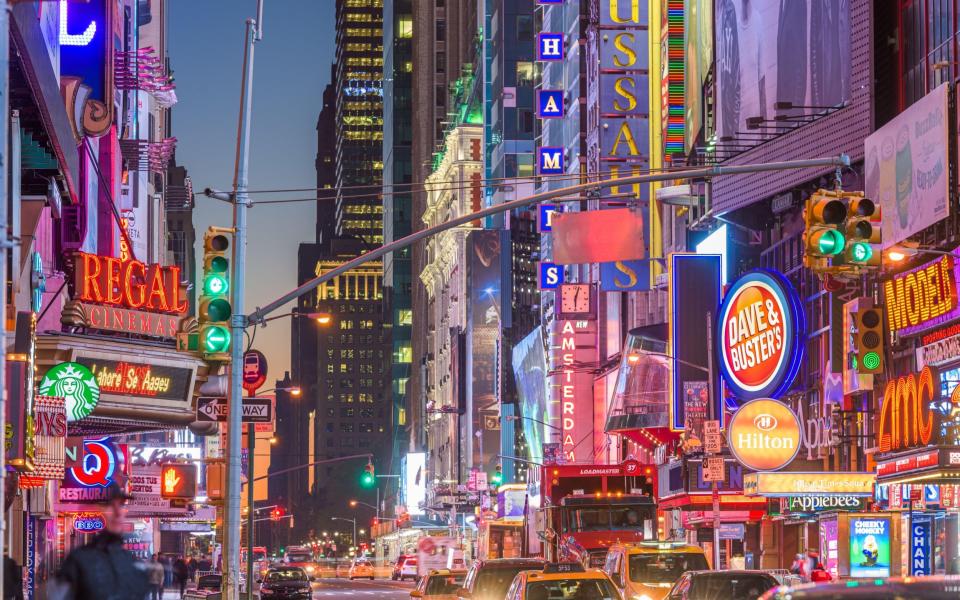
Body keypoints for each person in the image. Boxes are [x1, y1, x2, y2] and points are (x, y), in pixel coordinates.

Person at [55, 482, 149, 599]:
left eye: (120, 504)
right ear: (96, 510)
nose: (118, 512)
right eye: (109, 505)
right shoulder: (78, 561)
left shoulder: (130, 562)